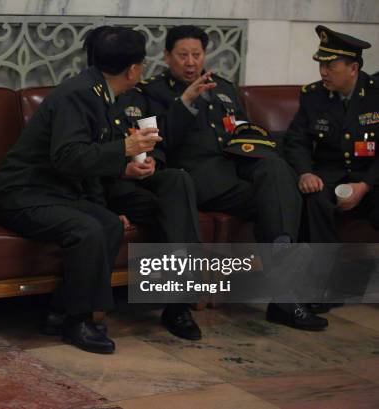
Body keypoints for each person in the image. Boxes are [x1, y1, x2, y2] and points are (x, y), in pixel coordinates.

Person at [138, 25, 327, 331]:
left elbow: (242, 132)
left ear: (204, 55)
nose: (190, 62)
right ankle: (285, 294)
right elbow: (156, 143)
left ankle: (282, 288)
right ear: (166, 56)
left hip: (235, 171)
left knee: (277, 170)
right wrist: (184, 102)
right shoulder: (152, 92)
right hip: (197, 179)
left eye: (196, 55)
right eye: (182, 55)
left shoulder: (223, 88)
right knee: (278, 200)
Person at [0, 27, 162, 354]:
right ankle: (78, 322)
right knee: (88, 230)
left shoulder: (99, 92)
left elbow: (88, 164)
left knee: (109, 224)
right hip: (21, 193)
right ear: (134, 69)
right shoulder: (80, 94)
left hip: (54, 192)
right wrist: (124, 148)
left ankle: (59, 311)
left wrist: (104, 202)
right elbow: (68, 157)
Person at [86, 27, 205, 340]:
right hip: (111, 184)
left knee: (178, 180)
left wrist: (154, 162)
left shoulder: (141, 98)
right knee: (167, 209)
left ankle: (178, 302)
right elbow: (81, 159)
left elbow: (156, 141)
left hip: (142, 180)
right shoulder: (87, 98)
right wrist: (121, 170)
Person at [285, 26, 378, 310]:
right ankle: (322, 286)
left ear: (354, 68)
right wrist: (305, 172)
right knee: (313, 199)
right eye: (321, 64)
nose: (323, 72)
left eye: (331, 65)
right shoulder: (313, 96)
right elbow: (295, 141)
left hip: (371, 178)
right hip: (328, 178)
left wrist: (364, 186)